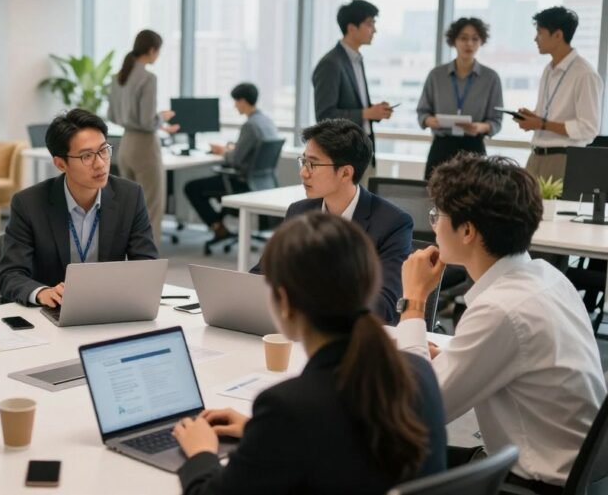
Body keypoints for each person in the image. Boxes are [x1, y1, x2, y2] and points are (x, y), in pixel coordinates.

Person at [173, 212, 446, 494]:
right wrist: (262, 434)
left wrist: (201, 452)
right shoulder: (419, 370)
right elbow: (346, 447)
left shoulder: (288, 407)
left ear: (285, 302)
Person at [398, 154, 606, 494]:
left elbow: (417, 411)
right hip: (573, 471)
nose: (433, 225)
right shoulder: (547, 277)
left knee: (386, 456)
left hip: (531, 484)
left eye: (438, 216)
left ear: (467, 231)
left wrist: (414, 300)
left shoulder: (501, 310)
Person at [251, 119, 411, 323]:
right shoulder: (300, 211)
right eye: (303, 161)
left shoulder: (392, 223)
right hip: (297, 329)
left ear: (345, 172)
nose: (303, 172)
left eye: (313, 164)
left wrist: (309, 302)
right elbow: (263, 273)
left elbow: (384, 305)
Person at [0, 108, 158, 307]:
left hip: (108, 307)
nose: (100, 164)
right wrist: (42, 293)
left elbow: (146, 265)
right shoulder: (29, 203)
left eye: (103, 150)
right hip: (54, 311)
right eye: (86, 156)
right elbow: (10, 275)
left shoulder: (129, 196)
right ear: (60, 164)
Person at [107, 29, 179, 244]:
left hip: (125, 145)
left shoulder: (118, 77)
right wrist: (161, 119)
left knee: (128, 207)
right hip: (145, 147)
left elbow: (112, 115)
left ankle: (127, 256)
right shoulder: (148, 78)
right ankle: (149, 260)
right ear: (151, 50)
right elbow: (148, 122)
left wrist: (157, 122)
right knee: (151, 207)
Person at [515, 6, 602, 182]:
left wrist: (542, 124)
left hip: (563, 159)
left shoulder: (585, 74)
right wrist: (533, 119)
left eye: (539, 32)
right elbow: (547, 116)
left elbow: (588, 128)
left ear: (557, 35)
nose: (535, 38)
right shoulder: (548, 69)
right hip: (535, 156)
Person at [183, 83, 279, 242]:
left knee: (191, 187)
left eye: (235, 101)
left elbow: (236, 160)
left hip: (242, 182)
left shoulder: (250, 125)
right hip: (263, 181)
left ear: (242, 101)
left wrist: (223, 152)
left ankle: (217, 226)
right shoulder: (266, 121)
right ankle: (219, 226)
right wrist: (232, 149)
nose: (235, 106)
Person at [313, 0, 393, 183]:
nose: (374, 30)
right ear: (351, 28)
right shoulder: (331, 64)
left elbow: (353, 106)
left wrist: (374, 112)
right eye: (369, 24)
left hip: (362, 153)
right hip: (343, 159)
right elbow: (325, 116)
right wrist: (366, 113)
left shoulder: (356, 60)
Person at [418, 17, 504, 179]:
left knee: (475, 197)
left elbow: (496, 121)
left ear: (481, 42)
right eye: (463, 38)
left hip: (474, 147)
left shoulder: (491, 78)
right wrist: (430, 121)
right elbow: (422, 112)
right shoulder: (436, 75)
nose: (469, 44)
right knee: (432, 197)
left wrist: (480, 127)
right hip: (442, 146)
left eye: (475, 39)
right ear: (454, 41)